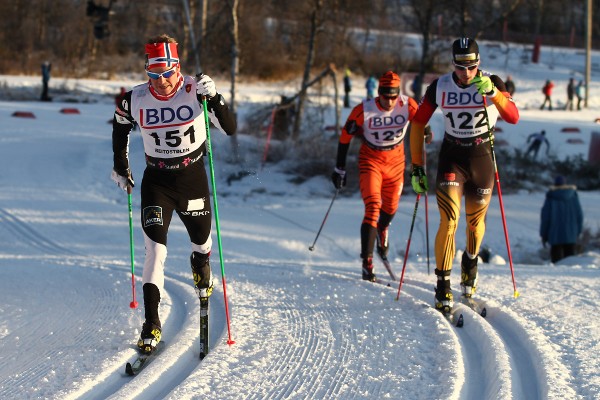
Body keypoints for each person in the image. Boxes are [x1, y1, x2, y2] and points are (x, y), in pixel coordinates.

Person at [111, 34, 237, 354]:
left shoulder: (196, 89)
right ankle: (151, 323)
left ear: (177, 67)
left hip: (191, 178)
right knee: (155, 250)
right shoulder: (134, 99)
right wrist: (121, 166)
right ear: (147, 72)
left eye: (167, 73)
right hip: (157, 182)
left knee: (202, 241)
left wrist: (217, 98)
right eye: (154, 75)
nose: (162, 81)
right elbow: (120, 127)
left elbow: (230, 128)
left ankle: (200, 261)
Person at [408, 37, 519, 314]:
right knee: (449, 220)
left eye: (471, 67)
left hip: (481, 158)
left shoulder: (492, 82)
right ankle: (443, 283)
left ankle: (470, 261)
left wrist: (494, 94)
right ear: (453, 64)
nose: (466, 73)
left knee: (474, 223)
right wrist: (418, 166)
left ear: (478, 63)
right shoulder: (440, 86)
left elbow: (513, 116)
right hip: (452, 158)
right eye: (460, 67)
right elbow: (418, 121)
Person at [331, 71, 428, 282]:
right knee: (373, 207)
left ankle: (382, 230)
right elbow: (344, 138)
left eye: (394, 96)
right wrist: (339, 168)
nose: (390, 101)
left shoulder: (407, 104)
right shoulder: (363, 110)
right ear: (379, 93)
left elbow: (421, 123)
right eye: (386, 96)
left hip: (396, 162)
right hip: (371, 161)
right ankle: (367, 264)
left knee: (390, 208)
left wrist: (426, 131)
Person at [540, 176, 583, 263]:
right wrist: (578, 232)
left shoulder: (551, 197)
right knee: (570, 262)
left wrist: (544, 234)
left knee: (556, 263)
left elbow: (545, 218)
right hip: (571, 234)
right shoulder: (573, 196)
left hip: (555, 234)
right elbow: (579, 216)